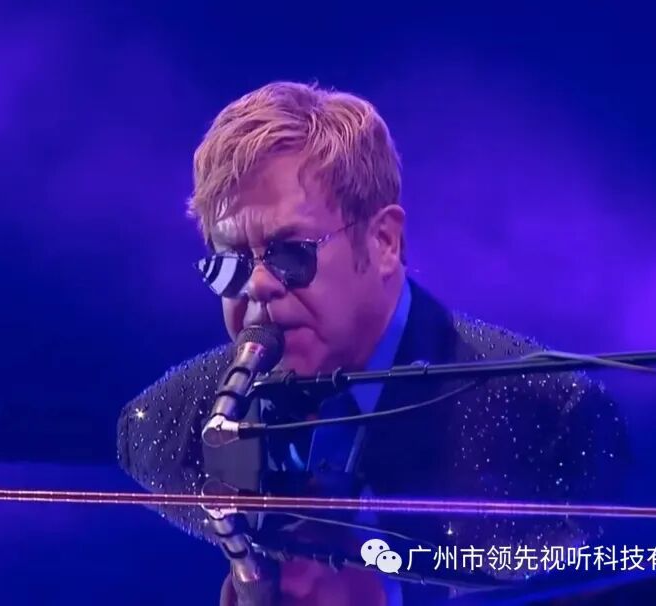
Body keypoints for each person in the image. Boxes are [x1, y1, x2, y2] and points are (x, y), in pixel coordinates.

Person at [117, 81, 628, 605]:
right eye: (231, 263)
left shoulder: (553, 422)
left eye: (291, 252)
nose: (259, 285)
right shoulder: (162, 427)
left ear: (384, 242)